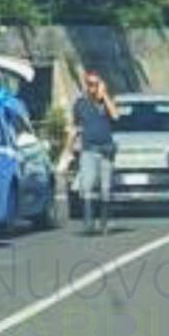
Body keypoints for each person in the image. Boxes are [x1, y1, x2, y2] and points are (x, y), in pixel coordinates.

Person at [70, 71, 118, 235]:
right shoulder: (80, 104)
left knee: (106, 188)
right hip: (89, 150)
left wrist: (104, 96)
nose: (93, 87)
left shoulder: (105, 102)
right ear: (85, 85)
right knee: (87, 186)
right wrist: (69, 148)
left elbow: (115, 116)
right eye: (90, 84)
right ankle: (89, 223)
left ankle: (104, 223)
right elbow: (76, 128)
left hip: (106, 149)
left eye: (96, 84)